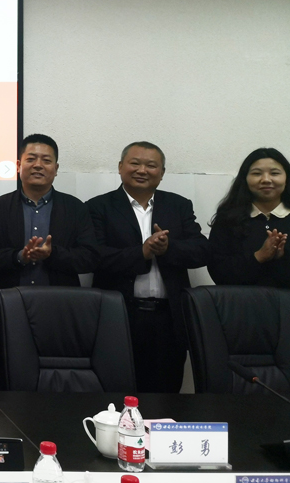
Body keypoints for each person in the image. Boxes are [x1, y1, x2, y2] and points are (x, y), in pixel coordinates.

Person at [0, 133, 99, 390]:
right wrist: (19, 257)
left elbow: (89, 258)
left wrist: (52, 255)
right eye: (31, 159)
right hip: (11, 309)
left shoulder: (75, 208)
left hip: (62, 311)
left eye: (46, 160)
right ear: (18, 165)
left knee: (59, 385)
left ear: (56, 168)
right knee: (7, 381)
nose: (38, 165)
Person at [86, 141, 210, 393]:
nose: (142, 170)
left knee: (166, 396)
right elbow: (93, 257)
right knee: (117, 393)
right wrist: (141, 253)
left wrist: (168, 249)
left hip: (168, 319)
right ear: (120, 167)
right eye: (135, 163)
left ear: (162, 173)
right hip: (118, 316)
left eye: (151, 165)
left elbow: (202, 251)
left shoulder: (179, 205)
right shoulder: (98, 207)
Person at [208, 148, 290, 289]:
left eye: (275, 173)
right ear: (245, 179)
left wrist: (282, 258)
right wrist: (259, 257)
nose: (266, 180)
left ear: (287, 178)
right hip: (243, 302)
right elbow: (218, 273)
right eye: (257, 173)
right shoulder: (228, 219)